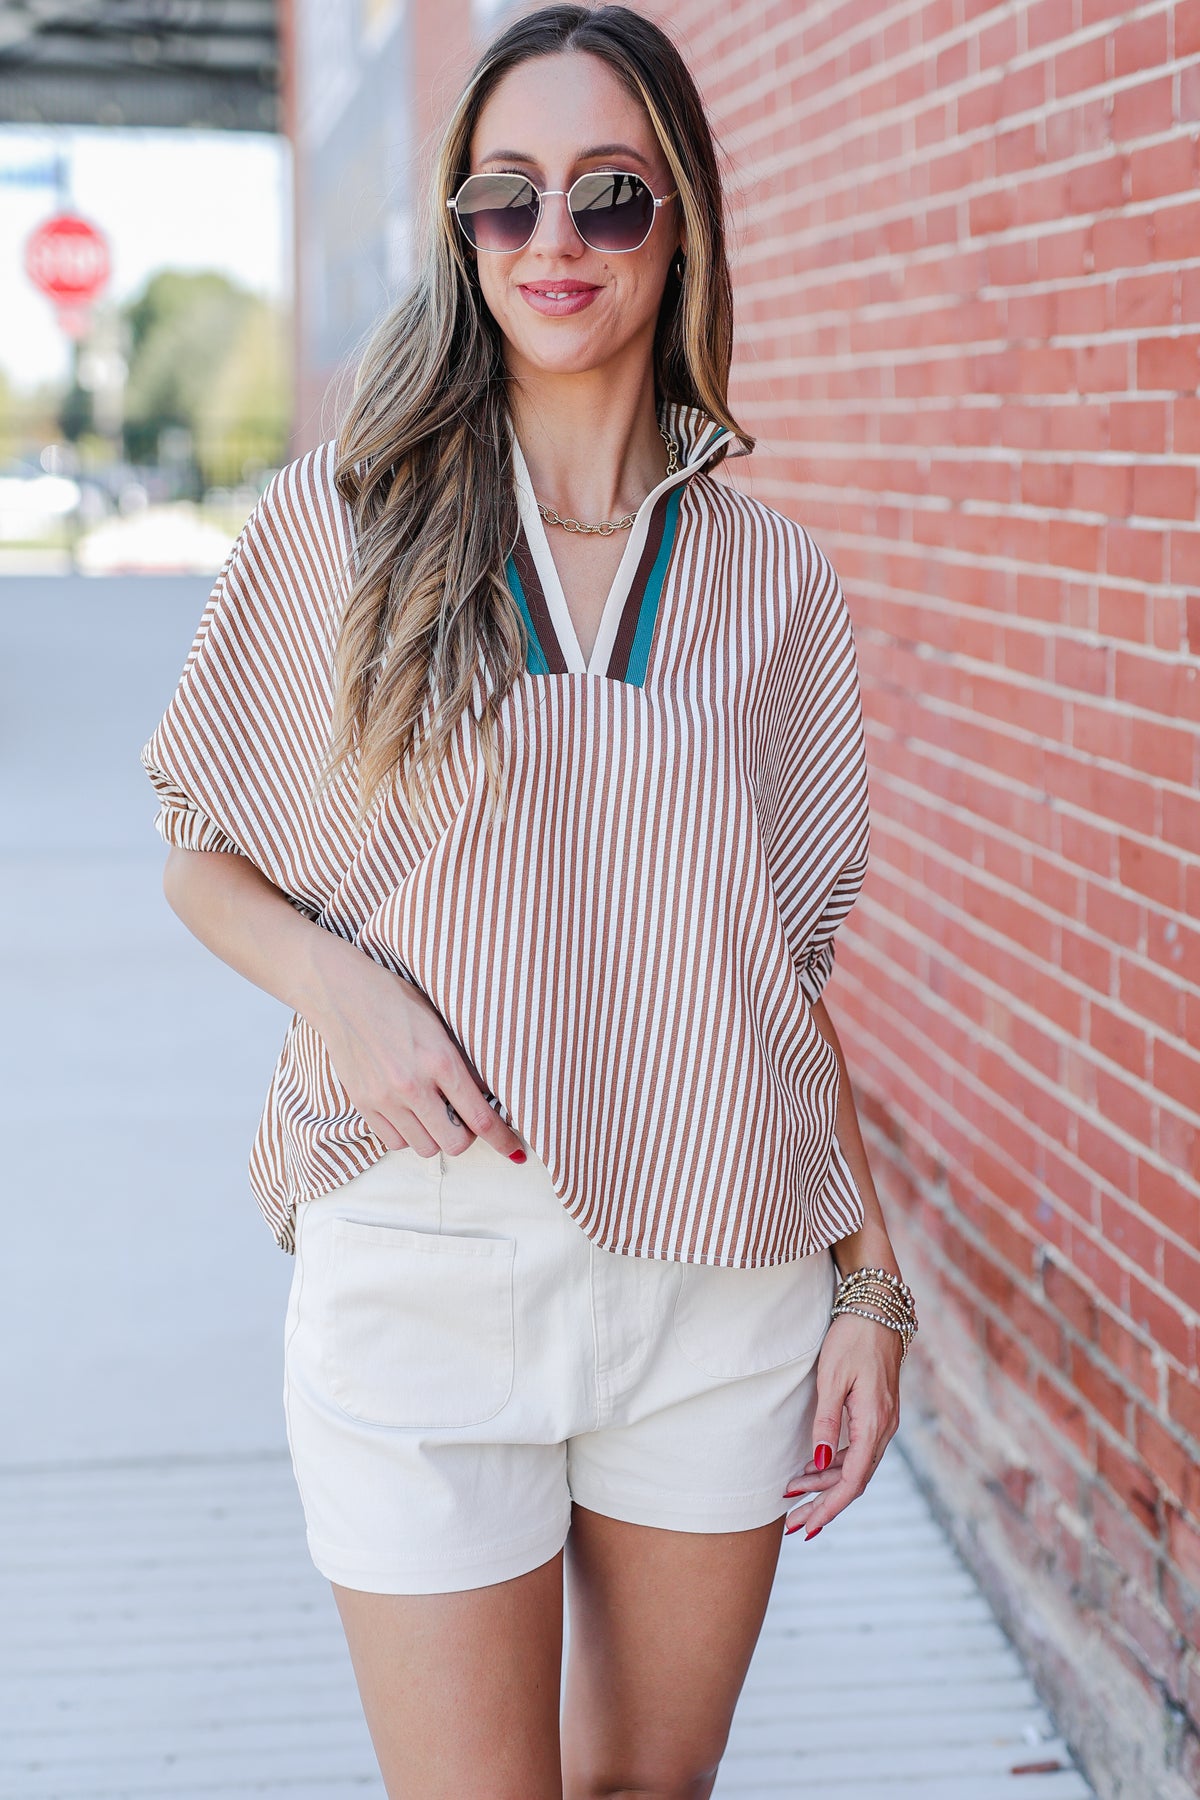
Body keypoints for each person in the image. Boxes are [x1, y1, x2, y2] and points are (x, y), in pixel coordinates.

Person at [139, 5, 918, 1795]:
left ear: (681, 218)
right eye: (507, 197)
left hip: (715, 1275)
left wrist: (870, 1286)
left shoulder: (770, 579)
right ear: (462, 229)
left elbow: (777, 974)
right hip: (427, 1254)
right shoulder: (343, 522)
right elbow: (198, 844)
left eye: (609, 193)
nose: (554, 239)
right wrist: (341, 990)